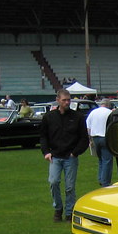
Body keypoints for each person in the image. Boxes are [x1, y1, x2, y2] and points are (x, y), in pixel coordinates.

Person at [40, 88, 89, 222]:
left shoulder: (77, 117)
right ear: (58, 100)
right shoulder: (49, 117)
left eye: (69, 100)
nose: (67, 102)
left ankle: (69, 212)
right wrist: (46, 152)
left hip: (70, 157)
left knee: (69, 187)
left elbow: (84, 138)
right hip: (55, 156)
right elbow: (43, 136)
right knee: (53, 182)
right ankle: (58, 208)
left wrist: (75, 152)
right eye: (64, 100)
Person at [86, 99, 115, 186]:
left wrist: (90, 139)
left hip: (95, 137)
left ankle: (101, 178)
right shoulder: (110, 112)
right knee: (107, 160)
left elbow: (88, 127)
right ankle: (105, 181)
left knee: (101, 159)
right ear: (108, 105)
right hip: (105, 137)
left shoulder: (93, 112)